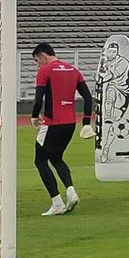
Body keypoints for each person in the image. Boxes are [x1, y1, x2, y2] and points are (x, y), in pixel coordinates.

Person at [31, 43, 95, 215]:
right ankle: (71, 191)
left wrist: (34, 116)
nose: (38, 65)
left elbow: (38, 99)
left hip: (52, 123)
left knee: (40, 160)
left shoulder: (45, 71)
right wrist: (87, 122)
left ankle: (57, 202)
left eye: (37, 60)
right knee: (57, 158)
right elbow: (88, 97)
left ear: (43, 55)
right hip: (70, 123)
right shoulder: (73, 70)